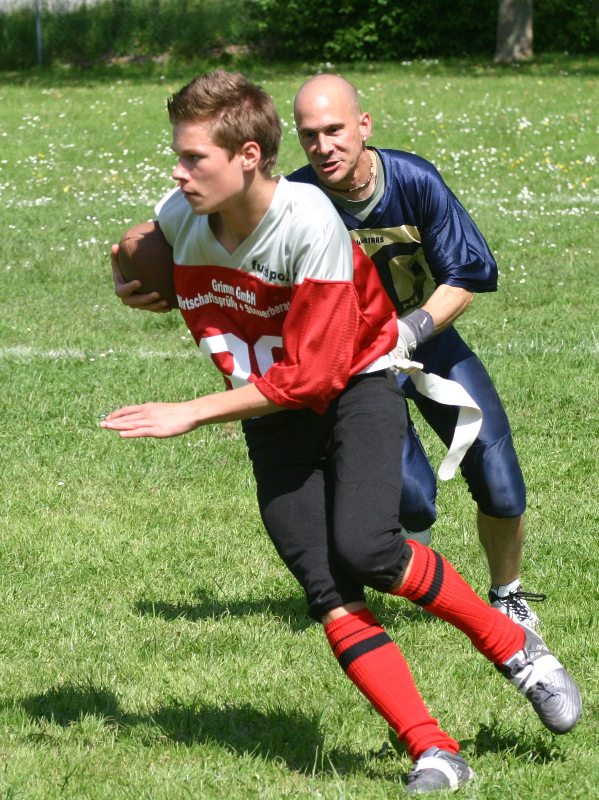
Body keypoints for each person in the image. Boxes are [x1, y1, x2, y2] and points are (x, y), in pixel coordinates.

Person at [102, 70, 580, 794]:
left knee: (370, 547)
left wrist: (191, 411)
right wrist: (128, 274)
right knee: (327, 586)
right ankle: (434, 751)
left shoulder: (309, 220)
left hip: (353, 386)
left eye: (194, 157)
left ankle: (517, 649)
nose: (178, 171)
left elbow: (315, 376)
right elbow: (141, 245)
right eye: (179, 154)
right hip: (270, 414)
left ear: (249, 157)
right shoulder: (183, 212)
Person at [289, 74, 545, 632]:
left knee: (500, 479)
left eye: (334, 130)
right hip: (355, 366)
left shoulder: (413, 179)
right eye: (309, 135)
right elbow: (216, 237)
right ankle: (410, 568)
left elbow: (465, 277)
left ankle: (507, 594)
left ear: (363, 125)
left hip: (427, 341)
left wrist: (409, 330)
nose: (323, 146)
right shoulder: (294, 201)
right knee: (411, 499)